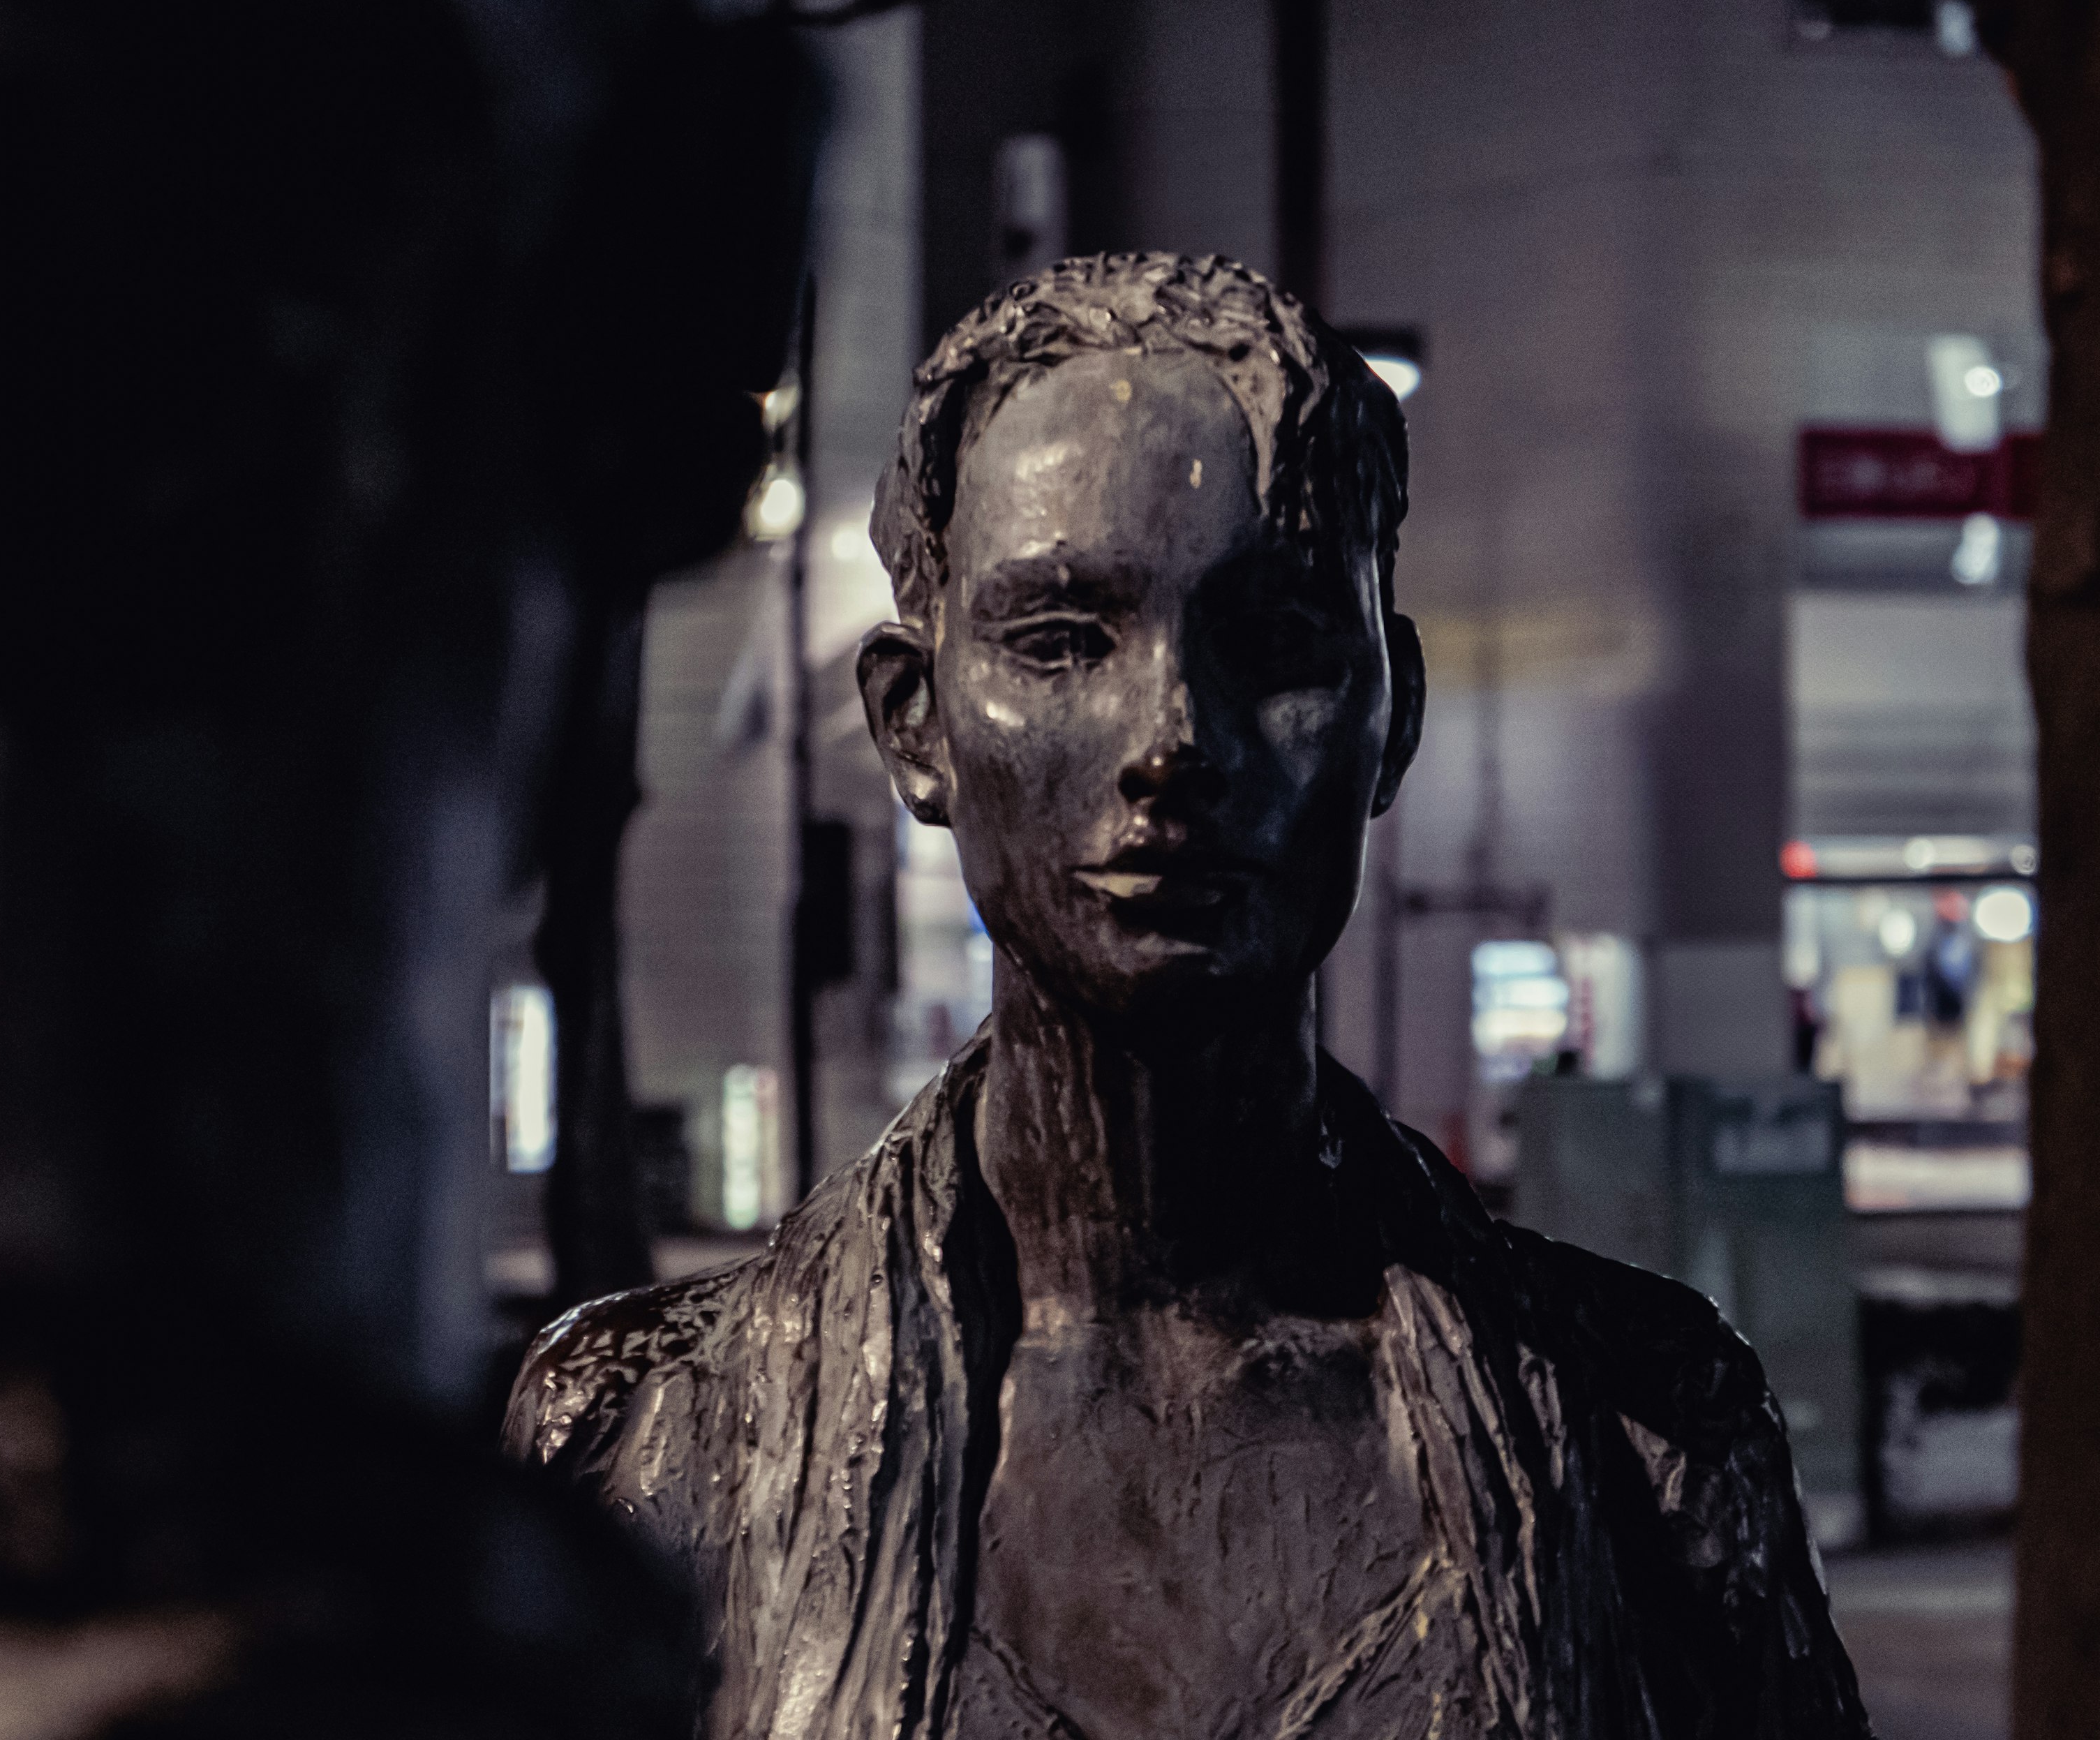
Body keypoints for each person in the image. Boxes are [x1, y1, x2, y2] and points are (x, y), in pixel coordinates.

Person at [508, 252, 1871, 1740]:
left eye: (1275, 640)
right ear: (916, 722)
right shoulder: (649, 1439)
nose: (1175, 740)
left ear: (1389, 716)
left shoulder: (1647, 1430)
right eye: (1062, 639)